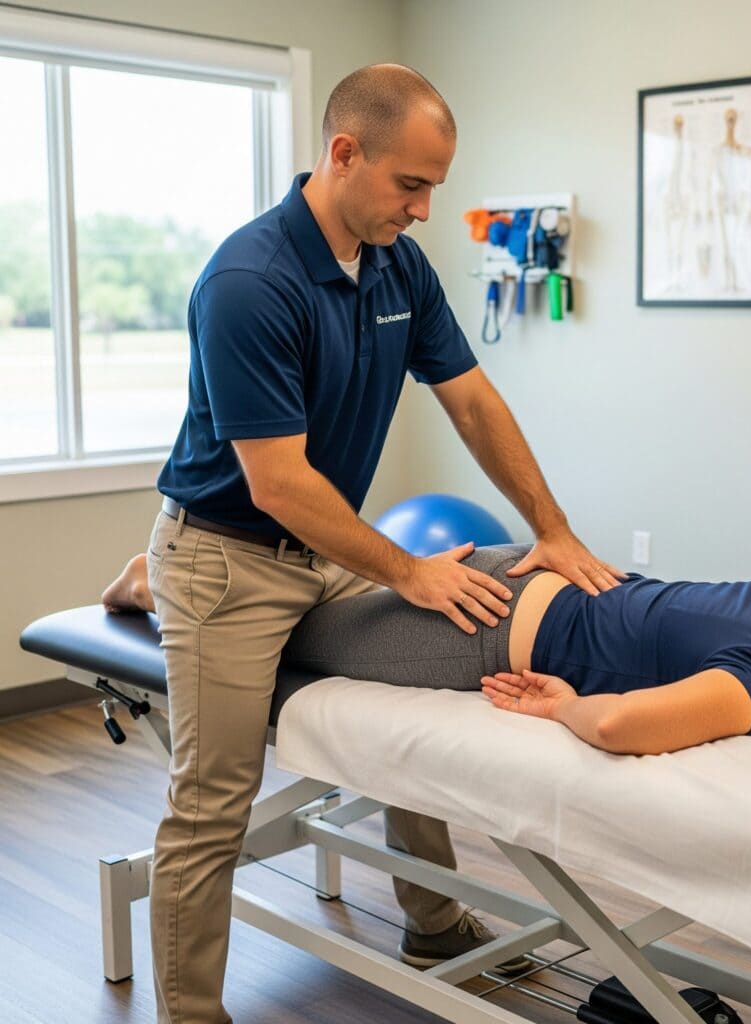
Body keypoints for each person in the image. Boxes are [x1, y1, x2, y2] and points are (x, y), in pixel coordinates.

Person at [122, 63, 622, 1024]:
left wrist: (551, 532)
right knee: (212, 801)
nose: (426, 208)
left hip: (322, 552)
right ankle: (191, 1014)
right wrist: (404, 569)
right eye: (411, 184)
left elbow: (470, 399)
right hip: (230, 554)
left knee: (412, 705)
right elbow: (278, 482)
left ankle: (433, 920)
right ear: (343, 153)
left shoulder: (397, 262)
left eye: (435, 185)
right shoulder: (248, 280)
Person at [104, 544, 751, 760]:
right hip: (476, 628)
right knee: (277, 643)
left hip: (508, 571)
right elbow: (615, 727)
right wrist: (561, 702)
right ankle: (158, 581)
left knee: (325, 609)